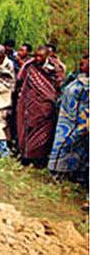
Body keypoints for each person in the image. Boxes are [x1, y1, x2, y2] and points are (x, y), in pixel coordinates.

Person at [16, 45, 61, 168]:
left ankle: (39, 159)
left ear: (47, 56)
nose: (37, 58)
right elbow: (20, 79)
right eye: (35, 55)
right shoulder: (30, 67)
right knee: (26, 130)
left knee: (43, 133)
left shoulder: (54, 68)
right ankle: (26, 156)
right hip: (29, 105)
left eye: (40, 56)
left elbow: (59, 84)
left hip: (46, 106)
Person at [48, 55, 88, 183]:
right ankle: (58, 173)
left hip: (78, 121)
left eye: (84, 64)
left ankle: (69, 174)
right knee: (60, 146)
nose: (81, 67)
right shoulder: (78, 78)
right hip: (65, 119)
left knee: (71, 148)